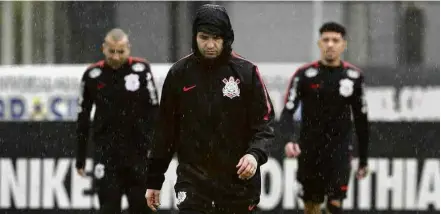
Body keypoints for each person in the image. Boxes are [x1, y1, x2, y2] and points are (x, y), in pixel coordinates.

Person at [144, 4, 275, 214]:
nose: (210, 44)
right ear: (195, 37)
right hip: (193, 181)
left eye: (217, 38)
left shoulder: (247, 72)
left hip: (237, 183)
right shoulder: (179, 74)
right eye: (204, 37)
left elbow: (264, 125)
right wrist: (154, 180)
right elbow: (165, 132)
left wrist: (254, 155)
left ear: (227, 38)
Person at [279, 22, 369, 214]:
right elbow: (287, 111)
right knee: (312, 205)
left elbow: (362, 120)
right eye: (326, 40)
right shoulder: (304, 75)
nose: (330, 44)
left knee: (334, 204)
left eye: (335, 40)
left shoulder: (353, 77)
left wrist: (364, 159)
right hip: (310, 151)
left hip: (340, 150)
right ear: (319, 43)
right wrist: (289, 140)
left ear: (344, 45)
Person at [75, 28, 158, 214]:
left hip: (138, 154)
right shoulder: (92, 75)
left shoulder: (142, 70)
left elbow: (154, 111)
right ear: (103, 48)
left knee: (142, 208)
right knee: (108, 208)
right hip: (106, 155)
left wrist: (155, 148)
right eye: (111, 51)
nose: (115, 56)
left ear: (128, 48)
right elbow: (83, 118)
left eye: (120, 51)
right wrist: (80, 158)